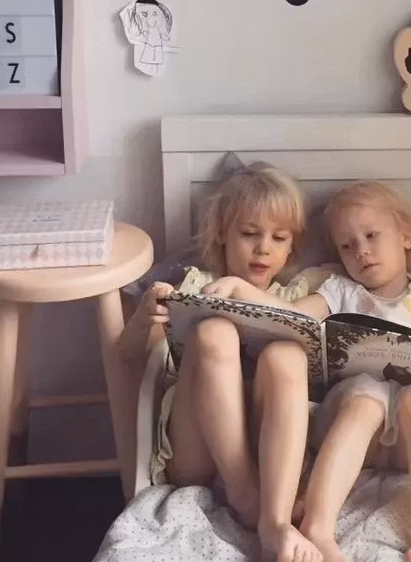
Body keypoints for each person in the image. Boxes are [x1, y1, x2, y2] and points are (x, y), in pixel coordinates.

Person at [206, 181, 411, 562]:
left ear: (405, 236)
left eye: (371, 236)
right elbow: (292, 316)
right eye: (347, 245)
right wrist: (242, 290)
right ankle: (318, 527)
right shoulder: (340, 290)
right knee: (365, 394)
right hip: (362, 430)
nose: (361, 250)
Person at [119, 161, 322, 562]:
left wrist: (244, 291)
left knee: (287, 353)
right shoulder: (193, 285)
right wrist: (144, 318)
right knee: (214, 331)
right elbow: (127, 356)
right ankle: (244, 494)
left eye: (278, 237)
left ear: (291, 247)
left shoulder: (298, 293)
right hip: (197, 451)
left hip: (268, 453)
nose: (263, 248)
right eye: (249, 233)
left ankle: (275, 522)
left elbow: (312, 323)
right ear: (221, 236)